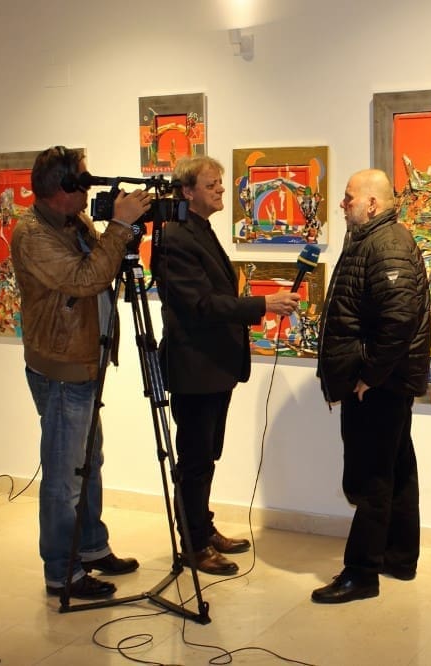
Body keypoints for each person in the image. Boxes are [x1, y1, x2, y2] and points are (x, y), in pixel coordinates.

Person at [11, 145, 153, 600]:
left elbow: (103, 267)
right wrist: (120, 226)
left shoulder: (75, 223)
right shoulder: (32, 234)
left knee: (89, 462)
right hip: (61, 368)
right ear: (63, 187)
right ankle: (62, 571)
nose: (89, 189)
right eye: (83, 180)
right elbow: (86, 279)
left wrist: (121, 232)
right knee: (64, 476)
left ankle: (91, 546)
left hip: (86, 360)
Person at [154, 156, 301, 575]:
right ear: (187, 191)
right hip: (194, 368)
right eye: (211, 184)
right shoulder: (175, 237)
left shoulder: (199, 229)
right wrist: (263, 303)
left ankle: (203, 528)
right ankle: (194, 544)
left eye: (220, 183)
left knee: (207, 456)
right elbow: (200, 305)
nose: (221, 190)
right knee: (195, 459)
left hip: (214, 366)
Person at [313, 169, 431, 604]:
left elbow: (398, 321)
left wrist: (368, 376)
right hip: (386, 384)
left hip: (380, 387)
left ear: (372, 204)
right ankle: (397, 558)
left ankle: (362, 573)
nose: (343, 205)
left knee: (372, 478)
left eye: (349, 198)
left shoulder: (387, 244)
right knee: (395, 470)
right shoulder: (375, 240)